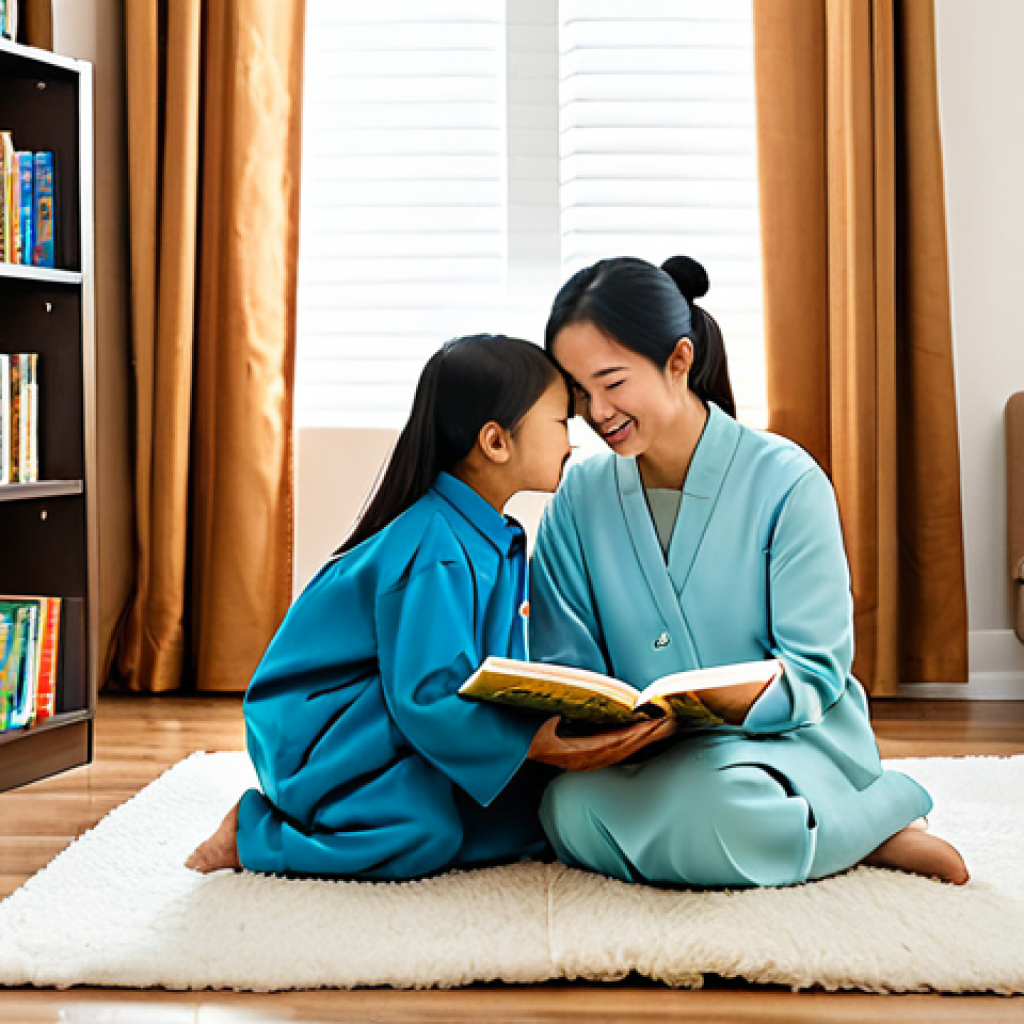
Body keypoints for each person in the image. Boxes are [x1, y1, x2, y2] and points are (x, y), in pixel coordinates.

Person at [529, 256, 969, 888]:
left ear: (678, 361)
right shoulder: (579, 495)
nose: (597, 413)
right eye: (578, 394)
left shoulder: (787, 481)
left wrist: (731, 705)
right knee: (562, 811)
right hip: (641, 758)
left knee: (732, 809)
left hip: (778, 747)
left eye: (613, 383)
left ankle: (873, 815)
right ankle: (828, 835)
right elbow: (566, 656)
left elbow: (814, 669)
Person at [186, 334, 674, 878]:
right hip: (325, 738)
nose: (573, 440)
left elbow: (486, 677)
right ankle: (257, 833)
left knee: (530, 817)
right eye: (562, 422)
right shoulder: (433, 550)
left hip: (398, 723)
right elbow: (427, 695)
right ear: (496, 441)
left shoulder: (494, 536)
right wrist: (531, 740)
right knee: (423, 835)